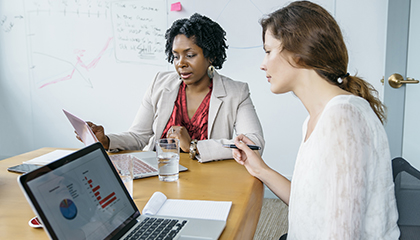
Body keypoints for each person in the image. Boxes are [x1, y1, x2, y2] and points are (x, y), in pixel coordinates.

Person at [232, 1, 399, 239]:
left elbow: (342, 234)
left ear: (298, 55)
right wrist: (260, 169)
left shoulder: (343, 119)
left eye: (268, 51)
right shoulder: (318, 118)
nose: (263, 64)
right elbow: (307, 207)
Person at [85, 13, 264, 162]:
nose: (181, 64)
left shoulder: (236, 92)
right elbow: (139, 137)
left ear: (211, 57)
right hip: (160, 172)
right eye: (176, 56)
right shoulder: (160, 83)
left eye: (190, 55)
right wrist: (106, 140)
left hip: (208, 179)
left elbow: (254, 143)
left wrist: (193, 146)